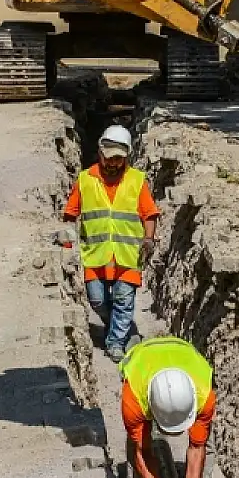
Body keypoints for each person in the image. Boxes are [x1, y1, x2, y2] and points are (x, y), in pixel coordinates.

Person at [63, 125, 160, 362]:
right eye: (110, 158)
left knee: (123, 299)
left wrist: (148, 239)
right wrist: (66, 243)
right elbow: (70, 214)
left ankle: (115, 343)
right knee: (97, 300)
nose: (114, 163)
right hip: (95, 254)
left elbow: (149, 214)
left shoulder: (137, 181)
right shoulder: (85, 180)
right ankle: (119, 326)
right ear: (100, 153)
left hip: (128, 256)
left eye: (119, 159)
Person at [118, 335, 225, 478]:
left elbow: (197, 446)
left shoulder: (203, 394)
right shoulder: (133, 396)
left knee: (206, 436)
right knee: (137, 440)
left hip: (184, 353)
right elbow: (142, 451)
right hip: (142, 358)